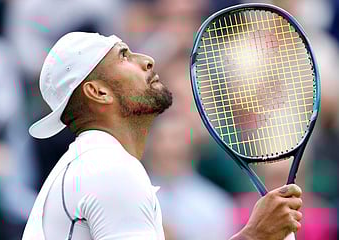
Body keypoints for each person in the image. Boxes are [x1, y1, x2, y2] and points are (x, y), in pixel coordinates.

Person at [22, 32, 303, 240]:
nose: (147, 60)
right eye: (124, 56)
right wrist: (255, 235)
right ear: (98, 92)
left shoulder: (94, 165)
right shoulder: (109, 169)